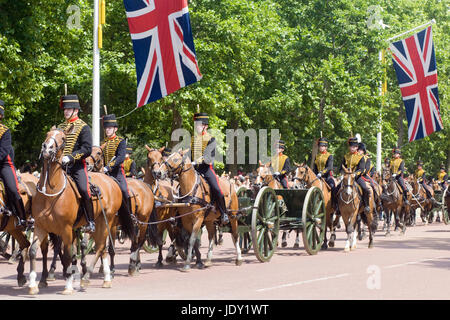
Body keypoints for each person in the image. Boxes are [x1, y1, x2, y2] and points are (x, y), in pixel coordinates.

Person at [58, 95, 95, 232]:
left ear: (76, 110)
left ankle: (90, 221)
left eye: (69, 109)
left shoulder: (83, 127)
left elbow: (86, 149)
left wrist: (71, 157)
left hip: (77, 166)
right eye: (65, 109)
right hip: (59, 167)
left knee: (84, 190)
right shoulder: (61, 127)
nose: (66, 112)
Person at [191, 112, 229, 225]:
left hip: (206, 169)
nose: (196, 127)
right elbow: (190, 154)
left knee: (217, 190)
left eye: (199, 124)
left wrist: (197, 161)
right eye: (196, 124)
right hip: (194, 170)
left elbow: (208, 158)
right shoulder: (193, 138)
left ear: (205, 126)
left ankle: (224, 213)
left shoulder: (211, 139)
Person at [0, 100, 28, 229]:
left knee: (12, 189)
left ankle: (22, 217)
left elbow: (3, 151)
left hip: (4, 164)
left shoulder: (5, 131)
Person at [102, 114, 134, 218]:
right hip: (103, 172)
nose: (107, 130)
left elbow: (120, 157)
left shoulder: (121, 141)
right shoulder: (103, 143)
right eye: (106, 128)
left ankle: (129, 215)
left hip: (117, 172)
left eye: (110, 128)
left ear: (115, 129)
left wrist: (108, 167)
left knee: (125, 191)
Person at [339, 137, 371, 213]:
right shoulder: (346, 156)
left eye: (354, 147)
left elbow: (361, 169)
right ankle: (337, 206)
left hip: (357, 177)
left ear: (357, 147)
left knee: (365, 188)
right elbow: (341, 167)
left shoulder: (361, 157)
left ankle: (366, 205)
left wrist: (354, 174)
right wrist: (342, 174)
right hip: (347, 178)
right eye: (351, 146)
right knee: (337, 188)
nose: (352, 148)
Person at [358, 142, 381, 207]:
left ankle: (376, 201)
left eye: (361, 150)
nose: (359, 151)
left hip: (364, 175)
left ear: (363, 151)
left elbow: (367, 169)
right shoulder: (355, 157)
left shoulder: (366, 158)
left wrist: (361, 173)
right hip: (355, 175)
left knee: (373, 185)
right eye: (359, 149)